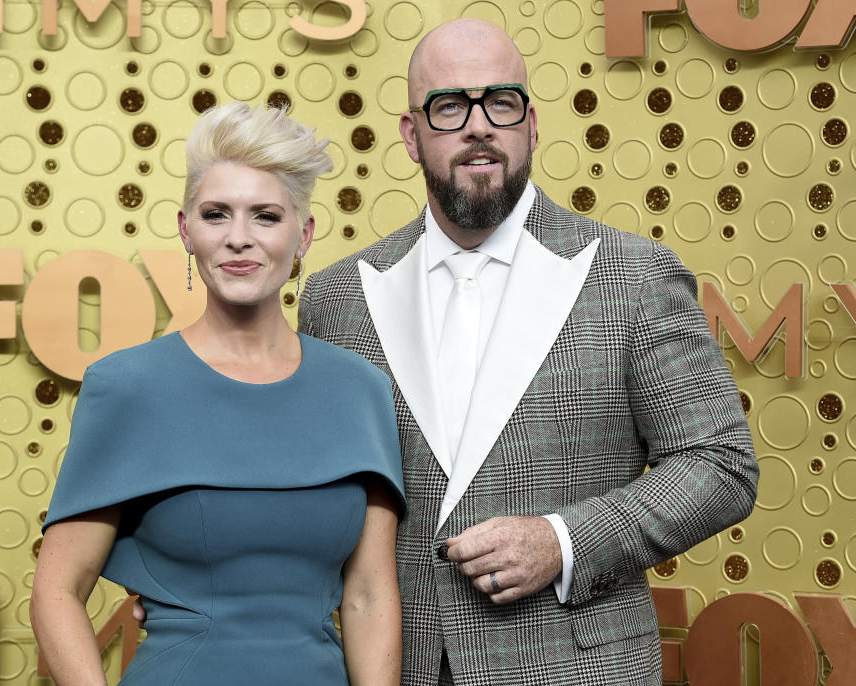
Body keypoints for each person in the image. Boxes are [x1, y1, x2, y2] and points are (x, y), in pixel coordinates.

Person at [297, 19, 759, 686]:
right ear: (410, 134)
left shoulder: (634, 276)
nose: (479, 125)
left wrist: (564, 541)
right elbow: (312, 489)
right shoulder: (337, 298)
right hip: (398, 667)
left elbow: (721, 464)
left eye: (501, 102)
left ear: (531, 125)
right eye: (450, 105)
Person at [31, 101, 405, 686]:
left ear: (303, 235)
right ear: (186, 231)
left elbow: (368, 598)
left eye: (265, 216)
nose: (239, 239)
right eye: (215, 214)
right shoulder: (127, 387)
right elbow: (57, 589)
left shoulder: (361, 390)